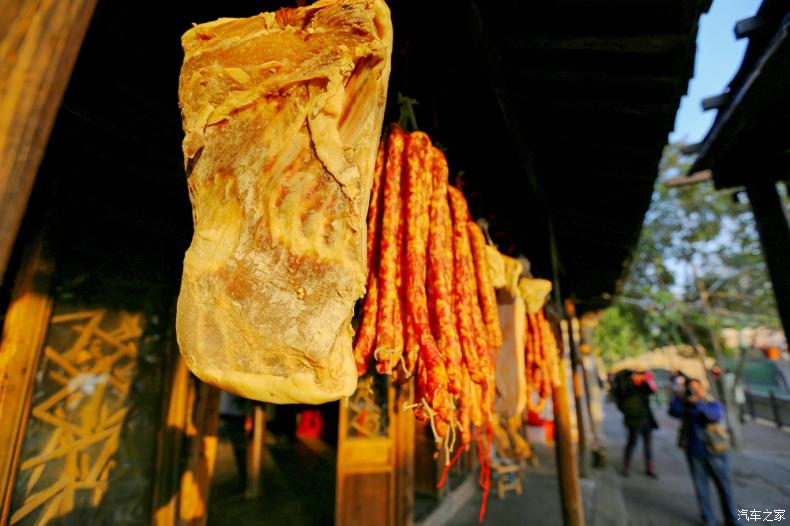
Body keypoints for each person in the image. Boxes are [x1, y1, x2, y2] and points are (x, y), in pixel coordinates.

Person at [669, 378, 738, 526]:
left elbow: (714, 416)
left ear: (703, 388)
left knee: (724, 487)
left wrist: (698, 403)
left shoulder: (710, 402)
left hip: (715, 450)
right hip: (694, 451)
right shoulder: (685, 405)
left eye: (697, 388)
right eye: (691, 389)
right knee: (701, 487)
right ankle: (708, 518)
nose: (694, 392)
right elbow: (673, 411)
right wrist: (678, 395)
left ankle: (732, 518)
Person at [614, 368, 658, 477]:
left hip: (646, 419)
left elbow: (653, 390)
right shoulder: (626, 387)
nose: (639, 376)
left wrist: (647, 380)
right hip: (633, 420)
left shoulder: (643, 386)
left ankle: (649, 467)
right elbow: (620, 402)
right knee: (632, 442)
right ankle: (626, 466)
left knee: (647, 444)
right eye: (637, 374)